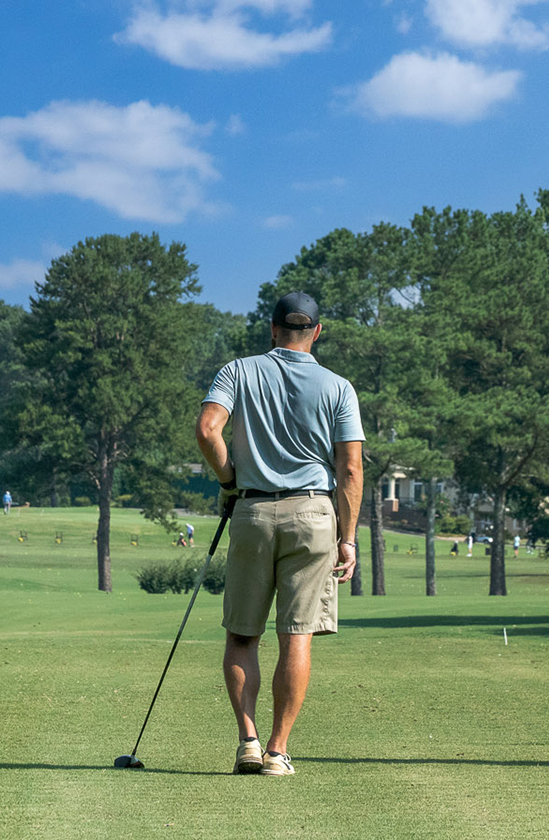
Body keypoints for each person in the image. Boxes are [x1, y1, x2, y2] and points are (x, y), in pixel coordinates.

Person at [197, 291, 363, 776]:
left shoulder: (237, 371)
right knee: (296, 636)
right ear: (317, 332)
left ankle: (248, 742)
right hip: (313, 516)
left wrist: (228, 480)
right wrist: (348, 538)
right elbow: (350, 469)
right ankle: (277, 750)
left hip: (251, 511)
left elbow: (208, 429)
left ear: (272, 330)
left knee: (242, 634)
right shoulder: (339, 387)